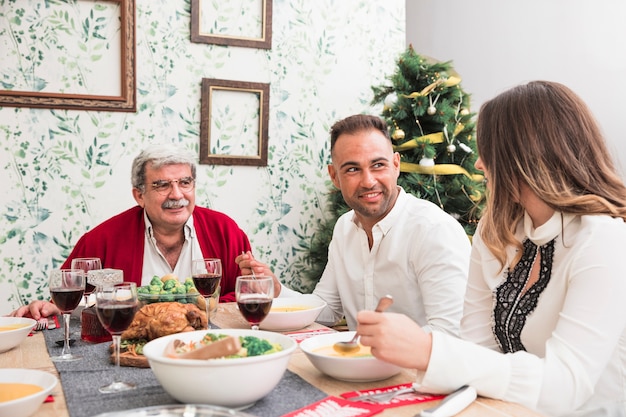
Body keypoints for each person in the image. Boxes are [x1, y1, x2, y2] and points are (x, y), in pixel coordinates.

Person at [356, 81, 626, 417]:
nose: (481, 165)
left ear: (525, 157)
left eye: (489, 151)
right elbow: (475, 346)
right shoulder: (496, 230)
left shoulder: (604, 240)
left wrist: (429, 351)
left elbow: (565, 387)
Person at [239, 114, 471, 335]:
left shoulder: (434, 230)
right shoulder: (344, 227)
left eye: (378, 165)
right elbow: (327, 308)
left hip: (421, 374)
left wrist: (374, 349)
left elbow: (449, 332)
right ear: (334, 176)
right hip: (358, 369)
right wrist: (277, 291)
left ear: (396, 165)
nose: (368, 181)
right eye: (352, 169)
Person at [10, 144, 253, 319]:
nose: (177, 195)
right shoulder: (102, 239)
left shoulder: (225, 230)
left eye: (185, 183)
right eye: (162, 185)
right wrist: (48, 307)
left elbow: (246, 295)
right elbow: (68, 299)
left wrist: (260, 285)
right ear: (139, 196)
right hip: (130, 349)